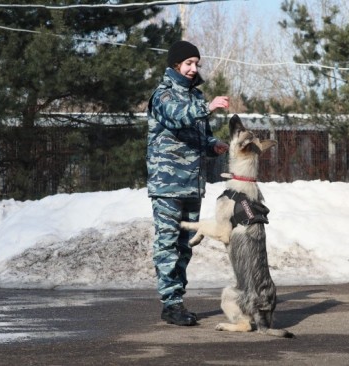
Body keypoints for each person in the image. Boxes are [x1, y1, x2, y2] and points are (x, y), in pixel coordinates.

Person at [146, 40, 230, 326]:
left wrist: (213, 144)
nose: (194, 69)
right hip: (167, 184)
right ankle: (170, 304)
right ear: (175, 65)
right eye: (188, 63)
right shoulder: (162, 95)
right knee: (167, 244)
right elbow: (177, 118)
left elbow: (200, 135)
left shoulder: (196, 98)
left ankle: (177, 299)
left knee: (184, 246)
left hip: (192, 185)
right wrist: (208, 107)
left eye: (197, 64)